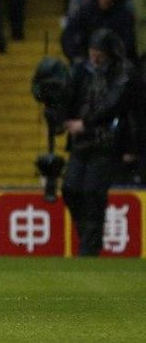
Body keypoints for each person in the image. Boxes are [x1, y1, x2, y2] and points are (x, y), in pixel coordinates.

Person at [62, 29, 133, 256]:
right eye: (92, 51)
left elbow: (113, 105)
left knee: (93, 193)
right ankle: (88, 238)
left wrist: (85, 123)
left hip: (106, 143)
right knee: (70, 189)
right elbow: (70, 98)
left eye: (99, 52)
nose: (94, 57)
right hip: (81, 143)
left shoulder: (122, 73)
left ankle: (88, 249)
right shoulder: (83, 72)